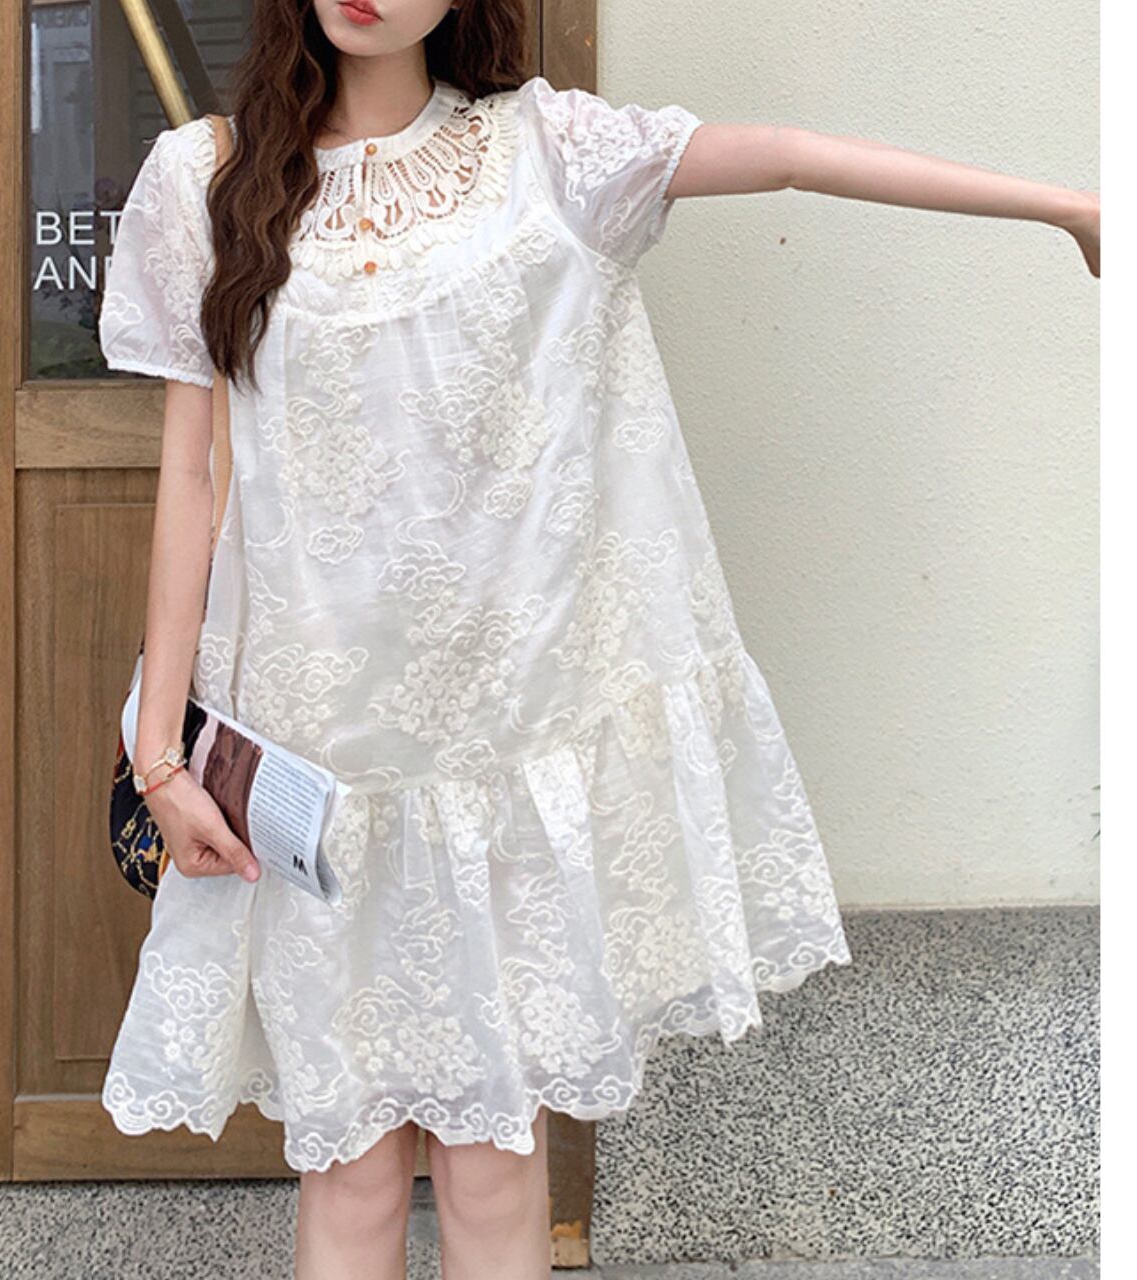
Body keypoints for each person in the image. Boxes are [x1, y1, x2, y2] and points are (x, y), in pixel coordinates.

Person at [96, 2, 1100, 1277]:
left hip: (503, 761)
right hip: (319, 769)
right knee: (349, 1170)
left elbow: (786, 154)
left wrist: (1067, 205)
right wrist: (161, 758)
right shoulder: (204, 180)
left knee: (492, 1158)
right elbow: (191, 480)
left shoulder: (546, 154)